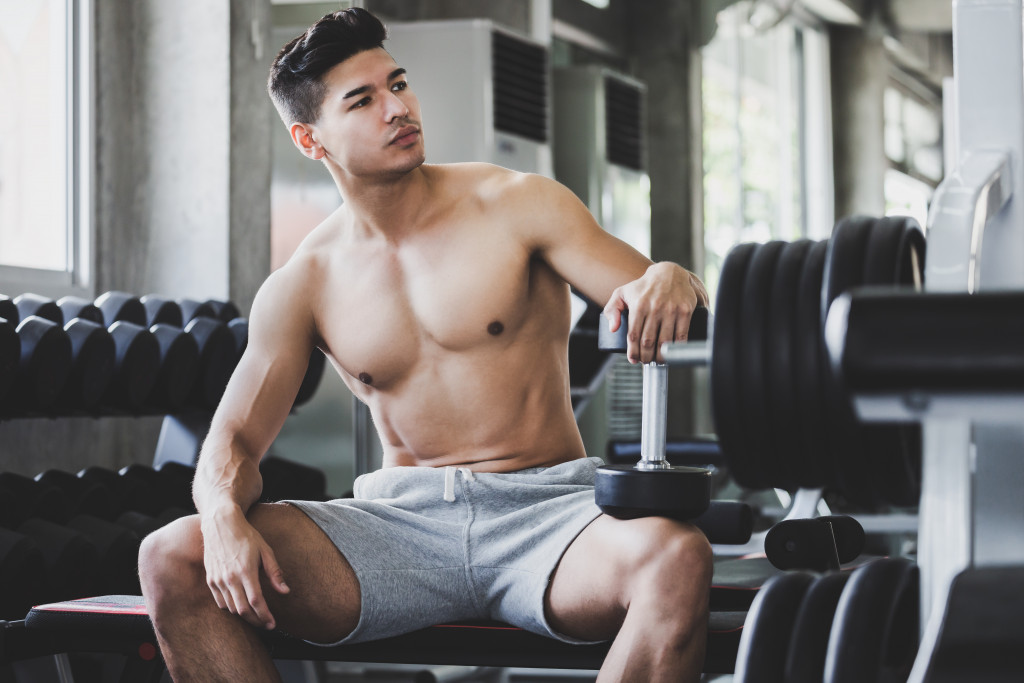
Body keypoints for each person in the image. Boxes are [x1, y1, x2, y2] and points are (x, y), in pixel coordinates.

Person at [138, 7, 712, 682]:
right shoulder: (305, 281)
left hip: (550, 518)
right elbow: (231, 441)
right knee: (172, 554)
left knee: (676, 557)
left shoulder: (520, 204)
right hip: (398, 529)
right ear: (309, 139)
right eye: (363, 100)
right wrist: (222, 513)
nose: (398, 108)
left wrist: (675, 277)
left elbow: (665, 295)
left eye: (399, 84)